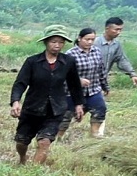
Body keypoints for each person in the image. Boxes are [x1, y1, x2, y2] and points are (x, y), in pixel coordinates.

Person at [9, 25, 84, 166]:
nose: (57, 45)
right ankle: (22, 159)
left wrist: (79, 104)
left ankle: (31, 173)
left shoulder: (68, 62)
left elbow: (74, 85)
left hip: (55, 110)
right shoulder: (32, 62)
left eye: (61, 42)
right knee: (21, 141)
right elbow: (20, 83)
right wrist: (15, 102)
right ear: (46, 42)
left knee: (44, 142)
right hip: (32, 108)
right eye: (54, 41)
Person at [66, 27, 111, 138]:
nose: (90, 42)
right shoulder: (70, 54)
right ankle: (59, 137)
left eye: (92, 39)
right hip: (73, 92)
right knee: (66, 115)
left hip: (93, 90)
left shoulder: (96, 51)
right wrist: (77, 81)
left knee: (100, 109)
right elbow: (63, 75)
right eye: (87, 39)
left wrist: (105, 86)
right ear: (80, 38)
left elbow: (101, 70)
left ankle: (94, 134)